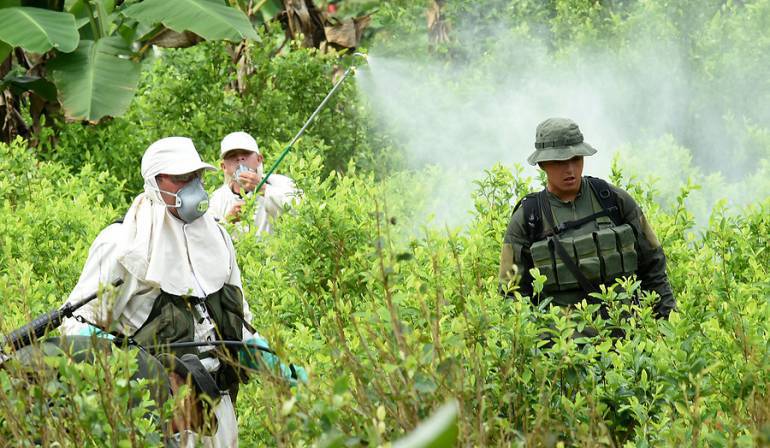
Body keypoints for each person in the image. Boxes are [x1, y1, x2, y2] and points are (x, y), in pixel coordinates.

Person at [59, 137, 303, 446]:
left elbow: (240, 322)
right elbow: (76, 325)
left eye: (196, 176)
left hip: (219, 404)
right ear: (155, 183)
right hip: (159, 414)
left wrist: (270, 361)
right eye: (181, 178)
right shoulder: (124, 244)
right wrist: (127, 362)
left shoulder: (218, 237)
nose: (193, 187)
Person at [499, 118, 675, 320]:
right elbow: (510, 292)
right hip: (562, 337)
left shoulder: (613, 200)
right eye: (559, 162)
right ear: (542, 164)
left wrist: (667, 323)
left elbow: (654, 267)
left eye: (576, 159)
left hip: (626, 334)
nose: (570, 169)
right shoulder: (529, 217)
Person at [209, 131, 301, 235]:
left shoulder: (282, 182)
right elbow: (210, 238)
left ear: (259, 159)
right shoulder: (216, 200)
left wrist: (263, 189)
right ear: (223, 167)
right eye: (232, 155)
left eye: (245, 153)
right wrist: (228, 221)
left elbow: (302, 210)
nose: (239, 158)